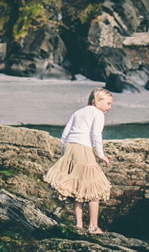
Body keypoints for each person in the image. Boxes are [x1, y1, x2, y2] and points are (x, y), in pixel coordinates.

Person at [43, 88, 113, 234]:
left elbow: (65, 134)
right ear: (98, 100)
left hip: (70, 148)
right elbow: (96, 134)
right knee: (95, 189)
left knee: (78, 186)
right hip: (83, 149)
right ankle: (93, 226)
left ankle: (79, 224)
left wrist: (64, 153)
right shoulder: (98, 113)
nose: (109, 107)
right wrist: (101, 155)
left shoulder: (79, 111)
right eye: (108, 103)